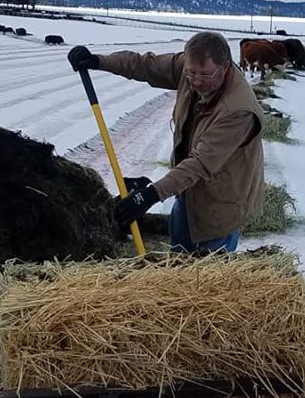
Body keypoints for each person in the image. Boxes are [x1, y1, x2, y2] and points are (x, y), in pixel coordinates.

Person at [68, 31, 264, 254]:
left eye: (206, 75)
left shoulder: (238, 111)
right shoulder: (189, 69)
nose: (197, 81)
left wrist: (150, 195)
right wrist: (98, 61)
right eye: (192, 73)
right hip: (187, 194)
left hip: (221, 203)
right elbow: (145, 65)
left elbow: (199, 164)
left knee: (206, 280)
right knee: (178, 262)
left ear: (226, 66)